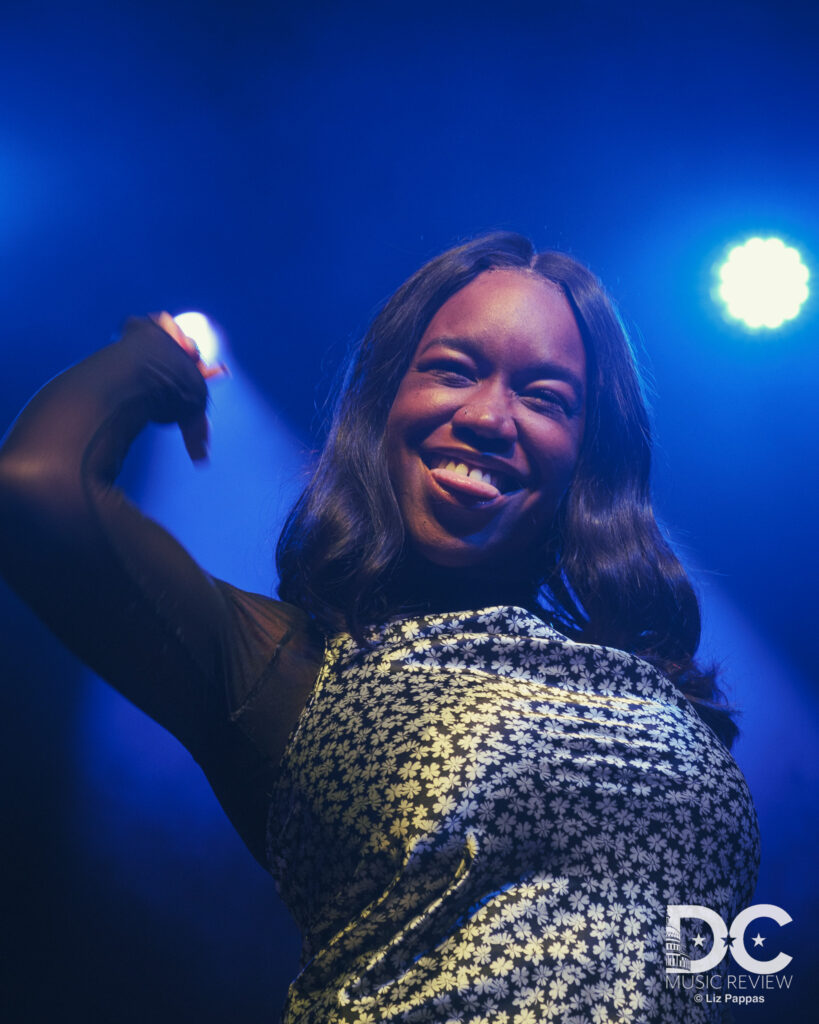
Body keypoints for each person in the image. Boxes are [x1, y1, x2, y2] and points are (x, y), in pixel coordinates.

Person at [0, 233, 759, 1022]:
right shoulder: (295, 671)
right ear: (382, 407)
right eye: (452, 370)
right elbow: (38, 488)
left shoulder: (650, 688)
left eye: (543, 397)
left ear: (586, 456)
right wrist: (155, 359)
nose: (488, 416)